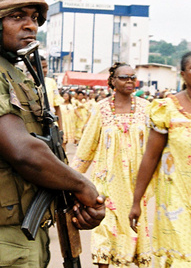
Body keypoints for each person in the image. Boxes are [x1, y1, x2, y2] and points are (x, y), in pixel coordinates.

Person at [0, 0, 106, 268]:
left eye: (34, 18)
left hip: (18, 236)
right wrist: (82, 185)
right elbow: (23, 152)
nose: (31, 26)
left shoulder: (13, 72)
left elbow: (45, 150)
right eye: (17, 16)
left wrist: (73, 200)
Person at [129, 50, 191, 267]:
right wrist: (136, 201)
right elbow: (151, 157)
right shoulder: (167, 109)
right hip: (178, 201)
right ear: (183, 74)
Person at [74, 61, 149, 268]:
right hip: (107, 183)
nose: (129, 81)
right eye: (124, 77)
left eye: (132, 77)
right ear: (112, 81)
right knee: (106, 231)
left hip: (136, 184)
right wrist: (71, 181)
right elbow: (86, 149)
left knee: (136, 229)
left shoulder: (146, 109)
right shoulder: (101, 109)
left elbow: (154, 149)